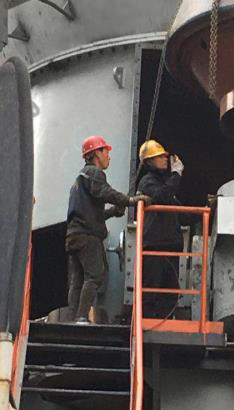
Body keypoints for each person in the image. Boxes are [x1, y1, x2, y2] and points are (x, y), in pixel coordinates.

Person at [66, 135, 150, 324]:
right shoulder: (94, 173)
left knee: (78, 279)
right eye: (105, 152)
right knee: (95, 275)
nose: (108, 156)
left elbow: (88, 213)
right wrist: (130, 201)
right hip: (88, 236)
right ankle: (82, 316)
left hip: (74, 236)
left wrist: (112, 212)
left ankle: (73, 318)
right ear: (97, 153)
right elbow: (105, 192)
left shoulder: (79, 180)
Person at [137, 140, 185, 318]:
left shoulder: (164, 184)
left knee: (170, 292)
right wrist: (176, 175)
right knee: (151, 291)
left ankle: (164, 322)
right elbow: (161, 197)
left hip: (169, 246)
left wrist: (209, 209)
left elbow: (181, 213)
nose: (166, 158)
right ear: (149, 161)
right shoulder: (147, 182)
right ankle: (148, 323)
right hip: (154, 246)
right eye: (160, 156)